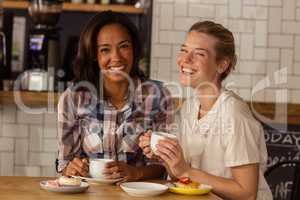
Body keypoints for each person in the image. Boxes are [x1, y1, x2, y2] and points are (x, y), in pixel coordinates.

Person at [139, 21, 272, 200]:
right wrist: (165, 156)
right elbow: (182, 177)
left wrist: (186, 170)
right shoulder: (189, 107)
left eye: (199, 54)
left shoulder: (234, 113)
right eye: (184, 50)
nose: (185, 60)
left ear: (222, 65)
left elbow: (247, 193)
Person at [57, 11, 173, 182]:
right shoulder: (74, 98)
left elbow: (164, 166)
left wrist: (135, 173)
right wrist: (71, 168)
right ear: (94, 55)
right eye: (105, 50)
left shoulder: (158, 95)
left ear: (134, 49)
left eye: (124, 46)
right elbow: (64, 164)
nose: (116, 57)